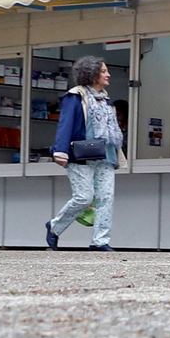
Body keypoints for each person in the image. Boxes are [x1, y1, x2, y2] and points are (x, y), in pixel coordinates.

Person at [44, 56, 126, 252]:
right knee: (84, 197)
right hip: (81, 154)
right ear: (92, 74)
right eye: (104, 71)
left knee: (106, 197)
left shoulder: (106, 99)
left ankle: (100, 241)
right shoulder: (75, 96)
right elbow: (66, 123)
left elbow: (112, 129)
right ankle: (54, 227)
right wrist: (60, 150)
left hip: (106, 155)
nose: (108, 74)